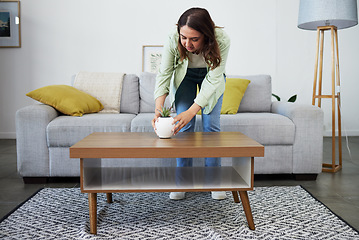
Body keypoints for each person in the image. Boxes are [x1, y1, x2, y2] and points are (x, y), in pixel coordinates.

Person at [151, 7, 230, 200]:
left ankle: (214, 182)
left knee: (211, 127)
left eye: (194, 39)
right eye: (183, 38)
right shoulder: (172, 38)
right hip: (184, 77)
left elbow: (213, 79)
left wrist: (193, 111)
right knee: (182, 126)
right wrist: (158, 109)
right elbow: (165, 73)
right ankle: (183, 181)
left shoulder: (222, 40)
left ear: (206, 35)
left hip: (211, 79)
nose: (187, 43)